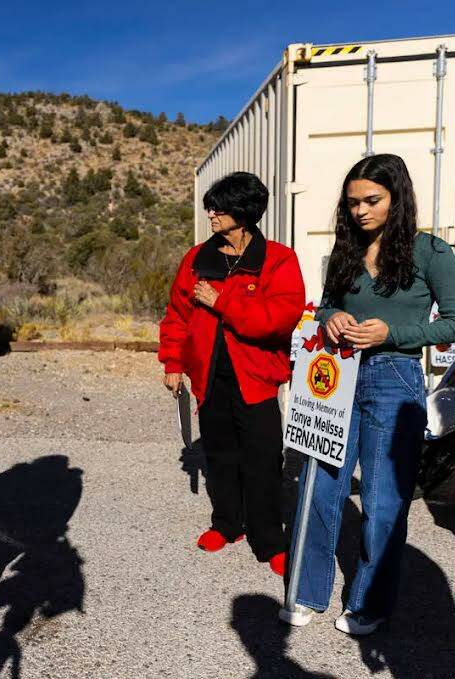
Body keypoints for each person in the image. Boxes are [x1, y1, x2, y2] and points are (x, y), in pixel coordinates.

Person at [279, 154, 455, 635]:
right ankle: (307, 592)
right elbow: (324, 307)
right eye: (352, 203)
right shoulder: (346, 250)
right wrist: (332, 320)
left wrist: (392, 332)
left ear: (397, 198)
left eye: (373, 201)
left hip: (395, 378)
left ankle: (368, 602)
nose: (361, 211)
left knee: (384, 499)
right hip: (336, 375)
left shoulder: (430, 251)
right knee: (319, 485)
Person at [158, 171, 305, 576]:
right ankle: (227, 524)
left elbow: (279, 319)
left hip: (255, 379)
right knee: (219, 456)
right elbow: (177, 315)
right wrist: (173, 361)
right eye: (211, 206)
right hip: (210, 379)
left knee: (262, 459)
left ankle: (269, 540)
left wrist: (223, 302)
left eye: (219, 207)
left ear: (244, 212)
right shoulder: (197, 259)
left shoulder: (278, 259)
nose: (211, 213)